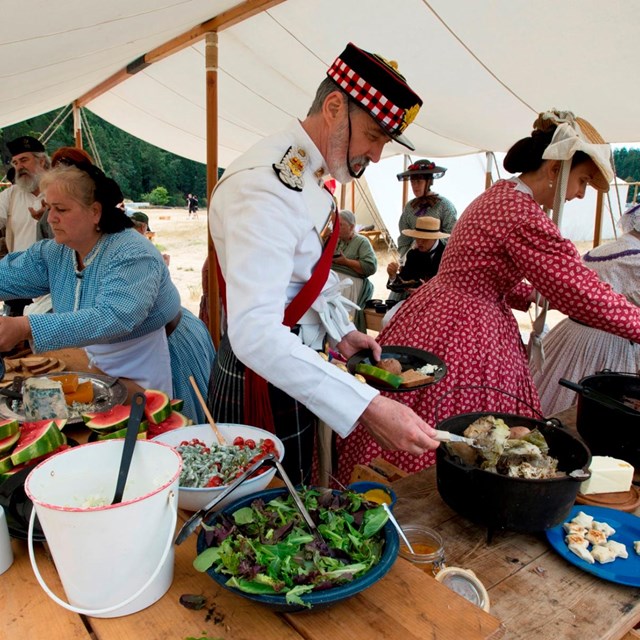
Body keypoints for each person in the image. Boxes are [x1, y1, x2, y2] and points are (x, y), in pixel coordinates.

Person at [334, 109, 640, 482]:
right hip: (468, 327)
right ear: (556, 169)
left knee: (428, 407)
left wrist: (520, 292)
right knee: (465, 424)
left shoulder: (498, 194)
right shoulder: (521, 213)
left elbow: (478, 267)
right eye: (582, 181)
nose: (578, 195)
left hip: (436, 309)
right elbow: (580, 290)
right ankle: (432, 495)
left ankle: (390, 483)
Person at [208, 42, 439, 484]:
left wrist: (341, 330)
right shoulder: (264, 187)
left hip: (292, 364)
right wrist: (365, 405)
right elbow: (255, 334)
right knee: (258, 516)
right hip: (262, 374)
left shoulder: (306, 173)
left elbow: (304, 274)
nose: (376, 156)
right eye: (373, 136)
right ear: (335, 106)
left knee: (290, 500)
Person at [0, 161, 215, 425]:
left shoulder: (132, 253)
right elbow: (7, 275)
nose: (50, 218)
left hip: (163, 352)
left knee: (170, 438)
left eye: (61, 209)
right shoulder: (55, 252)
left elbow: (114, 317)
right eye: (49, 208)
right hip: (104, 360)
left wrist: (25, 326)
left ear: (95, 212)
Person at [531, 204, 640, 415]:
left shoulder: (604, 249)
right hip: (607, 344)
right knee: (588, 410)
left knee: (551, 397)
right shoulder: (635, 259)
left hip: (572, 333)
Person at [0, 136, 51, 315]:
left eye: (24, 160)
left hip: (53, 282)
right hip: (21, 283)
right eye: (15, 162)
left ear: (42, 161)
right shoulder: (10, 195)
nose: (19, 166)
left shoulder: (59, 191)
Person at [395, 158, 456, 258]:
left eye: (418, 181)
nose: (415, 186)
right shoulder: (410, 207)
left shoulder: (444, 205)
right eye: (412, 182)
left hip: (438, 259)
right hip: (414, 258)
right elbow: (404, 237)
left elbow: (451, 236)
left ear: (429, 182)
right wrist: (404, 257)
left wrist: (432, 246)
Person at [331, 209, 377, 332]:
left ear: (352, 226)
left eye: (341, 225)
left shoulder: (362, 242)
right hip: (334, 282)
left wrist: (346, 262)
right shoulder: (335, 240)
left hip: (352, 284)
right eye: (336, 224)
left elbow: (370, 267)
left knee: (343, 319)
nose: (337, 228)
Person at [386, 215, 449, 302]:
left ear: (435, 237)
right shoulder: (413, 254)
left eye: (424, 239)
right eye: (417, 238)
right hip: (414, 302)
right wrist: (393, 276)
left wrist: (426, 291)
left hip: (440, 303)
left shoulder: (447, 255)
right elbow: (403, 282)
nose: (419, 242)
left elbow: (451, 288)